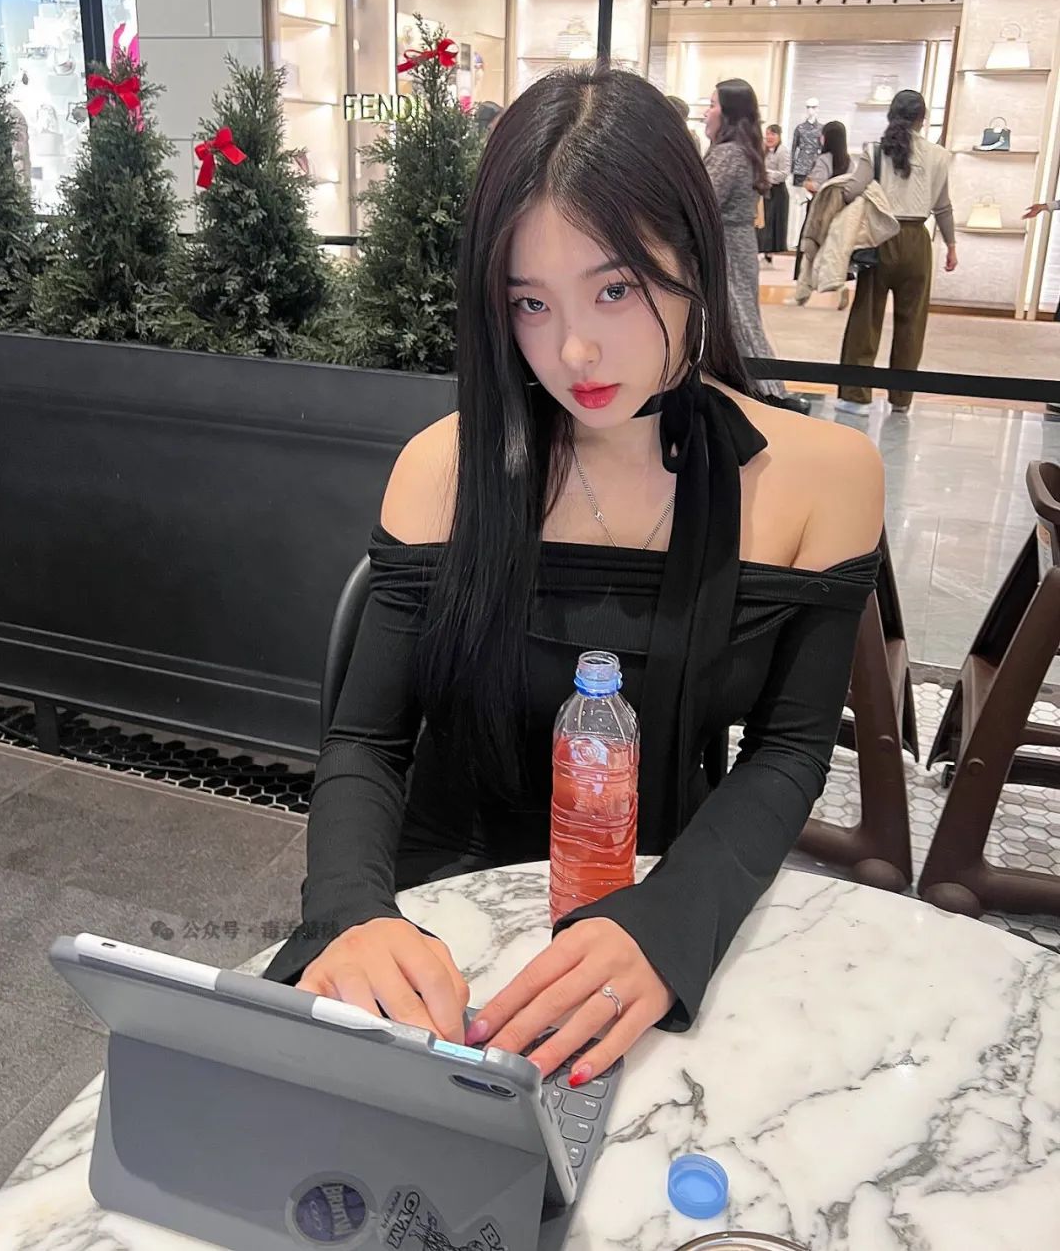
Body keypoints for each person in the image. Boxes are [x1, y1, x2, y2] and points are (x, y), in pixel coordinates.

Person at [263, 68, 884, 1087]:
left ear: (694, 259)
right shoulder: (443, 469)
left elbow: (790, 747)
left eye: (615, 289)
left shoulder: (825, 479)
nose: (575, 349)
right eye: (530, 304)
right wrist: (349, 914)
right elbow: (368, 739)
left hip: (663, 895)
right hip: (437, 921)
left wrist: (671, 918)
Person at [836, 89, 956, 416]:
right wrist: (951, 245)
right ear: (922, 118)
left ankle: (856, 397)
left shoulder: (875, 152)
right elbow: (943, 207)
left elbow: (851, 192)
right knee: (912, 323)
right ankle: (901, 399)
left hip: (880, 236)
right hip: (918, 241)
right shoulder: (939, 156)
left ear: (891, 115)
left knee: (866, 318)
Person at [704, 79, 808, 412]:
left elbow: (702, 202)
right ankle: (769, 392)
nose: (706, 113)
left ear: (728, 113)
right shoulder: (740, 150)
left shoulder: (728, 154)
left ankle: (773, 395)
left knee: (741, 321)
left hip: (727, 249)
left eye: (712, 105)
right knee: (742, 319)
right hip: (737, 244)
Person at [796, 120, 853, 298]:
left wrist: (806, 183)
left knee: (810, 248)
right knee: (833, 250)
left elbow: (818, 185)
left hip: (820, 210)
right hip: (840, 211)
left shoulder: (823, 159)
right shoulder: (850, 161)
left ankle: (803, 290)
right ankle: (838, 285)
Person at [757, 124, 790, 263]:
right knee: (763, 221)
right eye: (768, 134)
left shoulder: (783, 151)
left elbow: (784, 174)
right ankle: (761, 249)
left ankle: (770, 252)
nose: (769, 137)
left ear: (779, 136)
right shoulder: (762, 150)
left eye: (773, 134)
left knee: (773, 221)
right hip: (764, 190)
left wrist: (766, 174)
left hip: (777, 191)